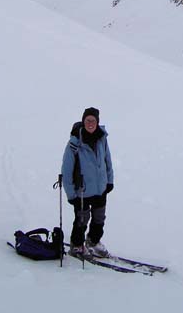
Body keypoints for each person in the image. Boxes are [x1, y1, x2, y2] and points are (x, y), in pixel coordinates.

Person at [61, 106, 114, 257]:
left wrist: (109, 181)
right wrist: (71, 194)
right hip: (82, 191)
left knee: (99, 218)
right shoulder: (74, 143)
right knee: (82, 220)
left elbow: (107, 160)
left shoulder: (102, 138)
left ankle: (93, 242)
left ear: (97, 122)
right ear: (83, 121)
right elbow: (66, 169)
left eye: (93, 120)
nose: (90, 123)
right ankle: (77, 245)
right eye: (87, 120)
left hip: (100, 188)